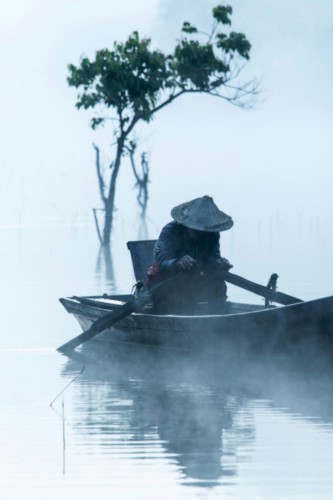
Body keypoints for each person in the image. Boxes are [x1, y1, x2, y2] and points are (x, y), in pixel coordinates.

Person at [146, 195, 234, 314]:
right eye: (197, 228)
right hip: (166, 282)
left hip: (194, 281)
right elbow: (163, 264)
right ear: (186, 224)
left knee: (219, 286)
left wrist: (219, 264)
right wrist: (178, 263)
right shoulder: (170, 231)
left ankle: (215, 322)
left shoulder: (212, 234)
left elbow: (212, 259)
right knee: (171, 295)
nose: (201, 232)